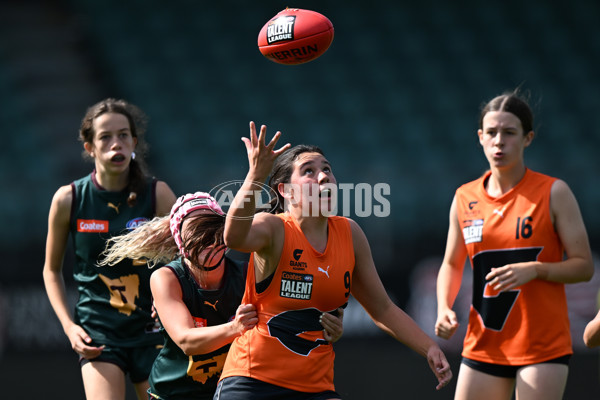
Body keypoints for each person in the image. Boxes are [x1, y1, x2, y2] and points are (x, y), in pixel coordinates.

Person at [214, 121, 452, 399]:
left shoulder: (350, 233)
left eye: (327, 169)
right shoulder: (274, 229)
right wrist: (256, 175)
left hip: (315, 387)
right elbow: (233, 237)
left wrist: (429, 347)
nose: (324, 176)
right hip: (253, 381)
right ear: (286, 191)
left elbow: (383, 309)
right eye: (309, 172)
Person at [99, 191, 344, 400]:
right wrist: (235, 327)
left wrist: (326, 325)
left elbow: (288, 314)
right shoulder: (167, 278)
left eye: (211, 226)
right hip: (175, 393)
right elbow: (186, 341)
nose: (205, 237)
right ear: (179, 240)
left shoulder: (248, 273)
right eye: (195, 229)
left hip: (233, 392)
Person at [435, 90, 594, 400]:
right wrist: (443, 307)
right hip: (483, 344)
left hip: (541, 345)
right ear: (480, 137)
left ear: (528, 138)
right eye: (491, 132)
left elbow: (584, 266)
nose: (499, 141)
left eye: (509, 132)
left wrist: (535, 270)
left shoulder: (554, 192)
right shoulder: (463, 197)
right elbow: (452, 264)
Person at [42, 98, 177, 400]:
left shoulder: (159, 194)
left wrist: (174, 303)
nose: (116, 143)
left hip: (153, 329)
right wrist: (68, 327)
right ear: (89, 147)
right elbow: (51, 270)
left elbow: (184, 261)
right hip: (99, 331)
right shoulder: (68, 199)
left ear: (134, 142)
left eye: (123, 135)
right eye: (105, 137)